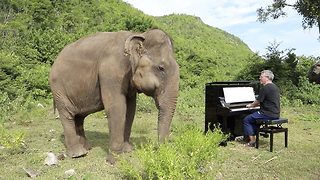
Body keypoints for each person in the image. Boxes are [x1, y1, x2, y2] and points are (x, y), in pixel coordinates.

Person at [243, 70, 280, 147]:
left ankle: (252, 141)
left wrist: (250, 105)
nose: (259, 78)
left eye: (261, 77)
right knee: (254, 117)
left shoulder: (265, 88)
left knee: (246, 119)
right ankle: (251, 136)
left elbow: (258, 102)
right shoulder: (275, 87)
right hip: (275, 113)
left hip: (267, 114)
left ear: (267, 77)